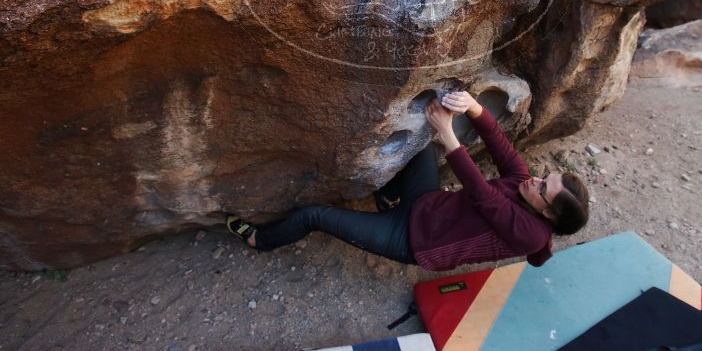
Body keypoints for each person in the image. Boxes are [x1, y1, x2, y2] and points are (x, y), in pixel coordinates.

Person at [226, 91, 589, 271]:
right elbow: (502, 149)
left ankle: (261, 240)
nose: (536, 179)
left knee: (313, 216)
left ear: (549, 216)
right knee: (417, 147)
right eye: (546, 177)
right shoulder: (525, 185)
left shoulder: (531, 233)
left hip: (414, 241)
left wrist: (449, 133)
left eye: (544, 187)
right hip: (427, 204)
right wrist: (474, 106)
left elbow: (482, 196)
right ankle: (388, 198)